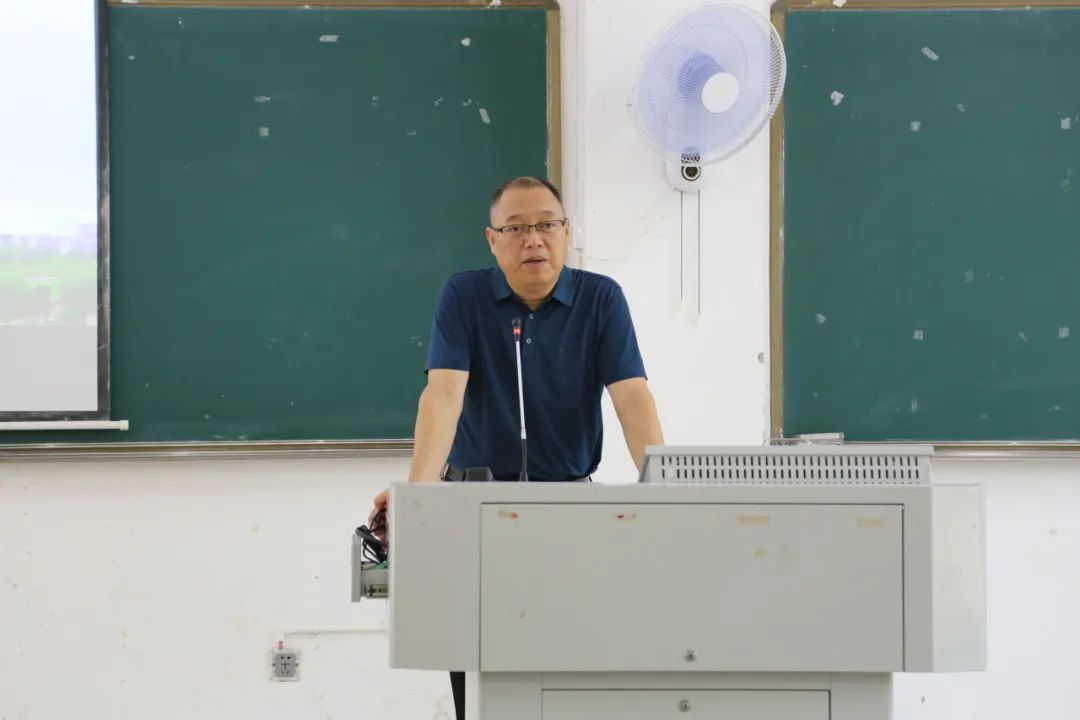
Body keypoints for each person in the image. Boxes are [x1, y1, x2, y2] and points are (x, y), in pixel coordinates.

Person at [368, 175, 663, 720]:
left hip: (568, 507)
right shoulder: (464, 296)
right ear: (492, 239)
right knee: (473, 661)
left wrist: (664, 489)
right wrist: (417, 496)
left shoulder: (601, 299)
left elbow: (632, 398)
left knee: (568, 661)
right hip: (472, 507)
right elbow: (444, 395)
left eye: (547, 224)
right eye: (517, 228)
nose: (534, 239)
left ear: (567, 231)